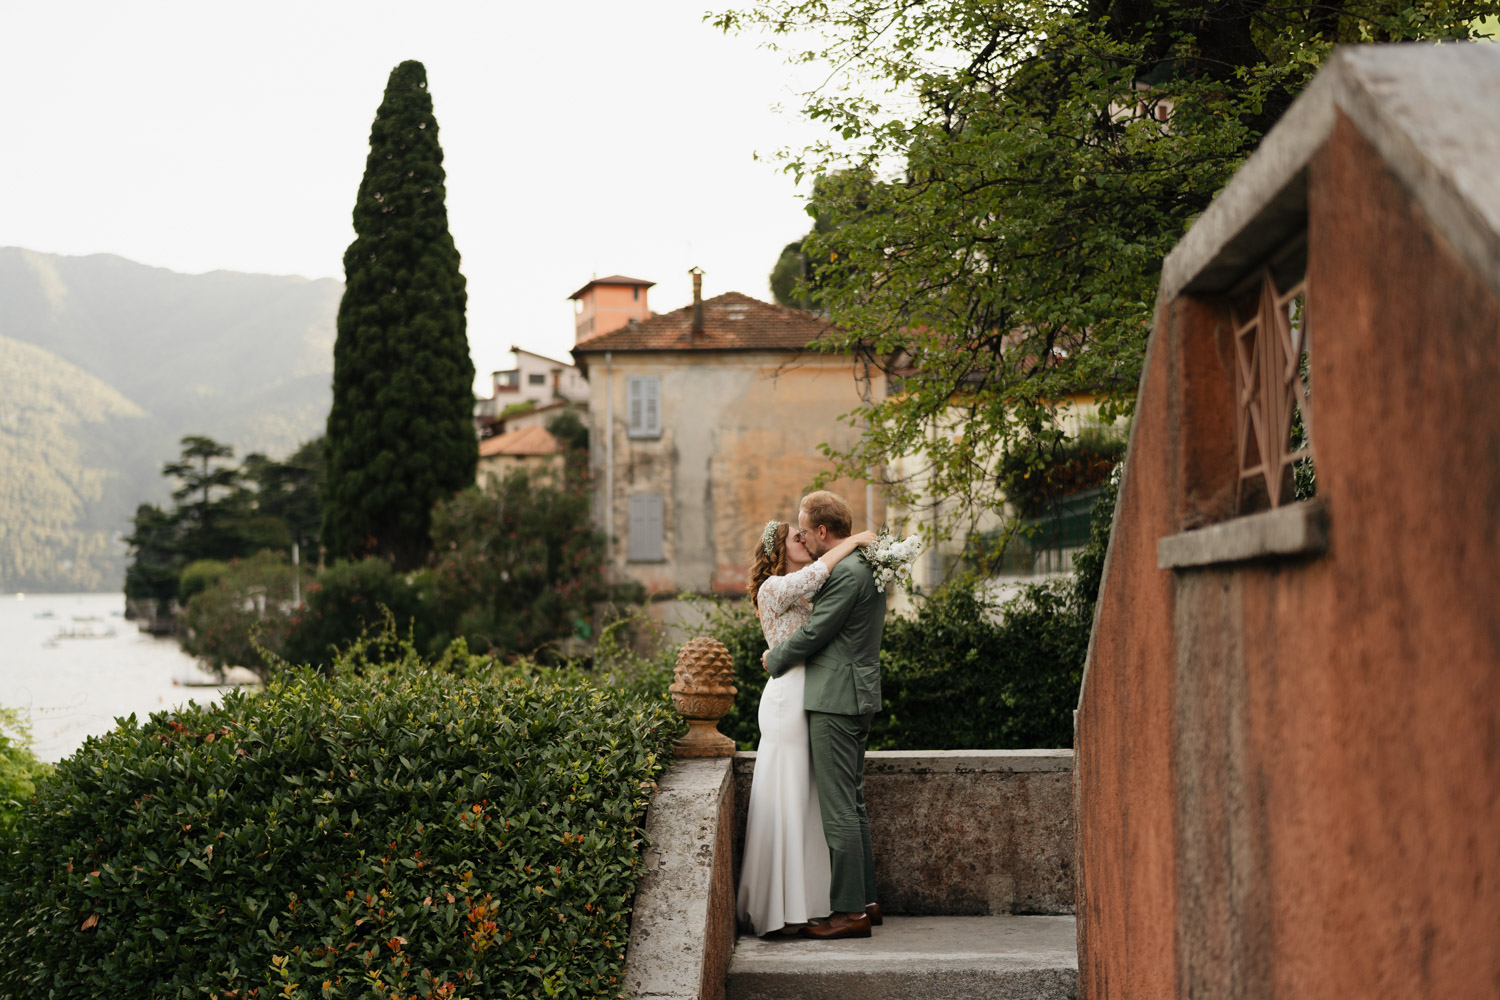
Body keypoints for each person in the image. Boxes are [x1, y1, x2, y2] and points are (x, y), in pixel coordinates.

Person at [736, 517, 875, 937]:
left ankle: (813, 900)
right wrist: (853, 541)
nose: (804, 539)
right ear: (778, 550)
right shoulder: (773, 587)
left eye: (804, 533)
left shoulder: (804, 589)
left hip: (814, 692)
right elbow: (818, 572)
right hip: (788, 697)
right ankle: (782, 907)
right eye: (796, 537)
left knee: (809, 796)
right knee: (789, 791)